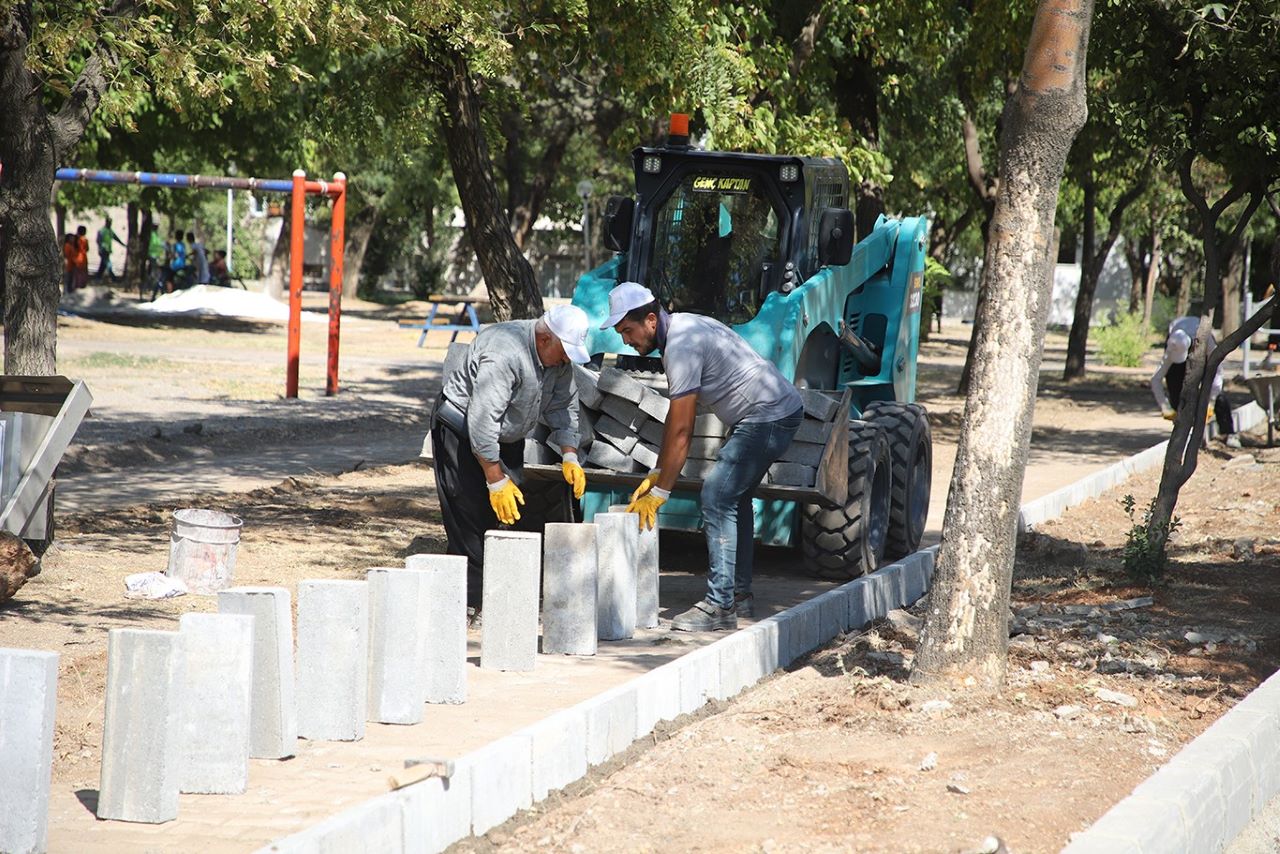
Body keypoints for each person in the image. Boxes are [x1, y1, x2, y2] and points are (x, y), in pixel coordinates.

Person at [605, 282, 804, 632]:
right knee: (734, 496)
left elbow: (683, 430)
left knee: (716, 495)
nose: (626, 341)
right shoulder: (683, 328)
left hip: (768, 415)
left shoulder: (681, 345)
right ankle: (738, 596)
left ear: (650, 320)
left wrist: (661, 492)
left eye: (628, 330)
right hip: (774, 412)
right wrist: (657, 471)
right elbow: (675, 417)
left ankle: (719, 606)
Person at [429, 304, 592, 619]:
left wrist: (570, 455)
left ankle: (490, 592)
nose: (567, 359)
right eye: (565, 351)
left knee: (506, 514)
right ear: (545, 339)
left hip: (505, 436)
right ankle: (465, 605)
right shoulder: (506, 352)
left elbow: (564, 407)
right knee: (469, 515)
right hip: (461, 429)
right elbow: (481, 421)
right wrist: (494, 477)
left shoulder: (557, 360)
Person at [1150, 315, 1238, 446]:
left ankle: (1228, 433)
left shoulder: (1206, 340)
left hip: (1199, 340)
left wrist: (1212, 401)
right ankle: (1183, 434)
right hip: (1179, 336)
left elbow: (1218, 372)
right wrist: (1165, 406)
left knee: (1218, 396)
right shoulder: (1172, 346)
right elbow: (1156, 379)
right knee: (1176, 389)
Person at [72, 226, 90, 290]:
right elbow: (87, 249)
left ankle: (77, 284)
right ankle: (82, 285)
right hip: (83, 257)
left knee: (77, 271)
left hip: (76, 256)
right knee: (83, 271)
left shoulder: (74, 239)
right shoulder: (85, 239)